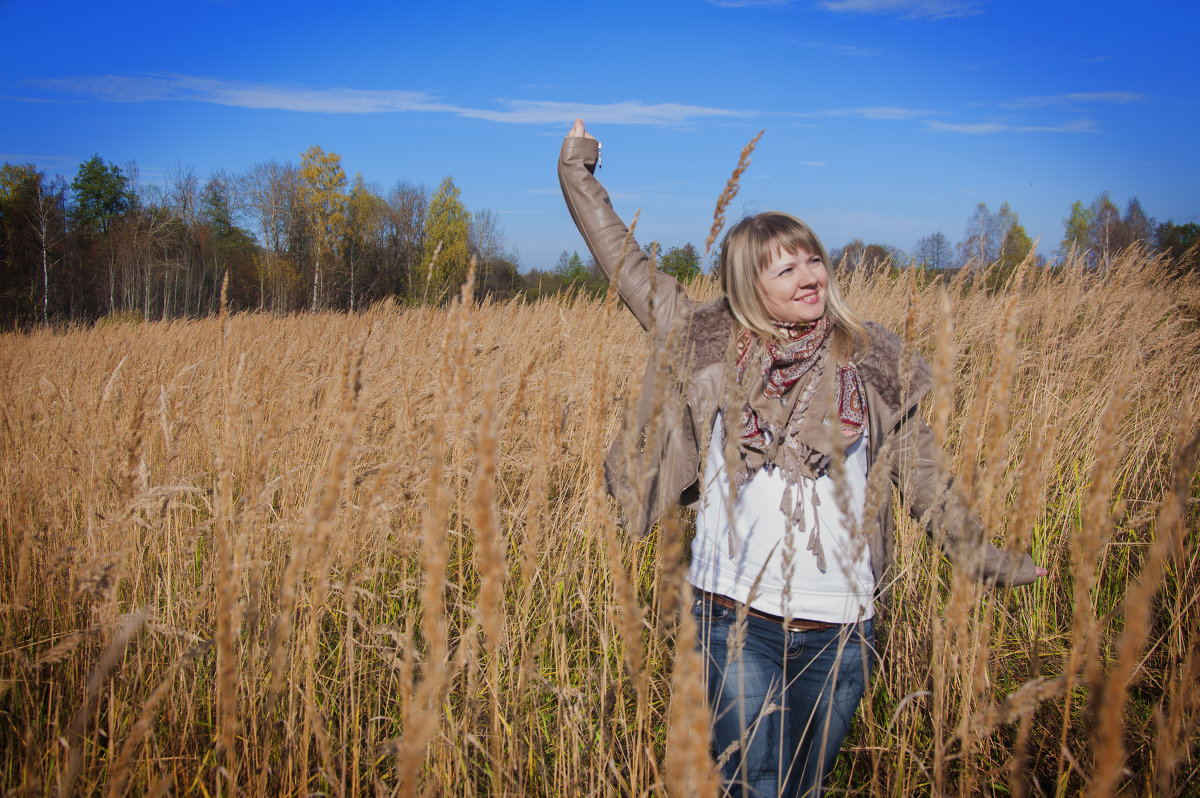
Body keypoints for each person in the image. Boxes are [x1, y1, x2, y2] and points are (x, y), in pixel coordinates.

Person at [558, 119, 1046, 797]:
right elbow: (626, 267)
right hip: (733, 617)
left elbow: (923, 475)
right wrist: (577, 169)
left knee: (802, 789)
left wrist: (982, 554)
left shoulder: (869, 356)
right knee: (754, 788)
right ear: (746, 284)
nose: (808, 274)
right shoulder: (707, 338)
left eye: (812, 258)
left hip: (842, 626)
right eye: (784, 266)